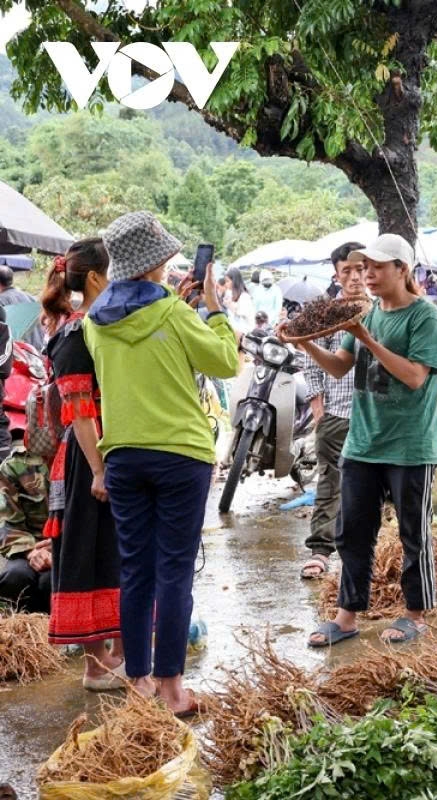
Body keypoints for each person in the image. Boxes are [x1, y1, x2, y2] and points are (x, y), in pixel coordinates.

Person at [84, 210, 239, 716]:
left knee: (135, 570)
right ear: (155, 263)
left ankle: (140, 682)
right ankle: (173, 690)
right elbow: (226, 362)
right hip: (180, 456)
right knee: (174, 570)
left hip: (123, 456)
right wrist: (213, 309)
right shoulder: (174, 312)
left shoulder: (94, 321)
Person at [299, 234, 437, 648]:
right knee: (352, 532)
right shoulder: (368, 313)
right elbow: (339, 367)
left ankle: (416, 614)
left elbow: (415, 377)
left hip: (409, 445)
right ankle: (346, 617)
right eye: (366, 267)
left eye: (378, 267)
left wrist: (366, 338)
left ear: (403, 269)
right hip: (362, 442)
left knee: (413, 534)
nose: (368, 274)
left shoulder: (425, 316)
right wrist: (304, 342)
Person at [40, 242, 127, 690]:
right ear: (95, 278)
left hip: (104, 449)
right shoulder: (76, 333)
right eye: (114, 273)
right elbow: (79, 411)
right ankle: (96, 665)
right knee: (88, 552)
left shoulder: (96, 325)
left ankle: (120, 655)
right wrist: (98, 470)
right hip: (88, 456)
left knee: (114, 549)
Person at [298, 242, 366, 581]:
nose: (354, 277)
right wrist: (318, 407)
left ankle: (373, 551)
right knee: (330, 482)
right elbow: (311, 362)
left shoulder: (383, 309)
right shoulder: (327, 313)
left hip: (376, 416)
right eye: (346, 271)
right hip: (337, 412)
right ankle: (321, 550)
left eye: (360, 269)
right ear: (337, 276)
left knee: (378, 485)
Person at [0, 453, 50, 613]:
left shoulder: (85, 458)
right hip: (28, 548)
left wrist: (61, 545)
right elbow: (5, 522)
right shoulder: (14, 465)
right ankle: (25, 625)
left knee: (52, 580)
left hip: (73, 547)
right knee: (15, 577)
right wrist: (32, 551)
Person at [223, 267, 256, 336]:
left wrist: (229, 305)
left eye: (227, 281)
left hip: (245, 335)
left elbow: (241, 313)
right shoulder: (231, 295)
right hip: (234, 334)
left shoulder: (244, 297)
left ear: (234, 281)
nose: (226, 284)